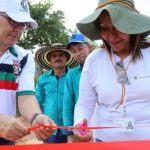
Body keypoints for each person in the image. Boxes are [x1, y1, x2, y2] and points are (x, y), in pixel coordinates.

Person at [73, 0, 150, 142]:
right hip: (106, 142)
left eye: (118, 27)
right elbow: (84, 103)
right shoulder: (94, 60)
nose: (111, 36)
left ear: (132, 25)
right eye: (104, 28)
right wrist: (79, 123)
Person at [0, 0, 56, 145]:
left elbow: (25, 97)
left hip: (6, 138)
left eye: (23, 24)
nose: (18, 30)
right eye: (13, 21)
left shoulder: (23, 57)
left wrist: (36, 117)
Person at [35, 43, 76, 143]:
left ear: (67, 58)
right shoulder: (42, 79)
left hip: (72, 126)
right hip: (50, 128)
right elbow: (37, 102)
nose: (57, 58)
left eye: (61, 55)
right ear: (50, 60)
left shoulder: (74, 75)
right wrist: (38, 122)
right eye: (54, 56)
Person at [63, 33, 92, 142]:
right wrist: (70, 133)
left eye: (80, 49)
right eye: (73, 51)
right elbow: (68, 104)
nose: (77, 54)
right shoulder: (72, 75)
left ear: (89, 47)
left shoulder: (104, 67)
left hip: (104, 124)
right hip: (82, 127)